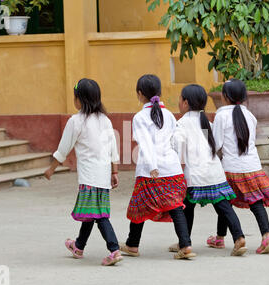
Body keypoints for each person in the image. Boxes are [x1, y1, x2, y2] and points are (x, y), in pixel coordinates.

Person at [44, 78, 122, 266]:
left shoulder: (76, 121)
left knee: (100, 215)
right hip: (103, 176)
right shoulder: (105, 120)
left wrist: (51, 168)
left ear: (79, 99)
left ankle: (114, 249)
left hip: (89, 176)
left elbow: (64, 148)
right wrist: (114, 172)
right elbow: (113, 148)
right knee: (91, 212)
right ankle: (78, 246)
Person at [119, 74, 196, 260]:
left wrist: (153, 166)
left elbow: (145, 144)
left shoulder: (139, 117)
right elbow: (177, 140)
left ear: (139, 94)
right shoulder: (169, 115)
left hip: (150, 171)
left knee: (138, 207)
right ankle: (185, 245)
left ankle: (132, 244)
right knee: (176, 206)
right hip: (172, 168)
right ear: (160, 92)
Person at [170, 84, 247, 256]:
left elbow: (178, 147)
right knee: (224, 206)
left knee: (187, 208)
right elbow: (214, 145)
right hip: (214, 173)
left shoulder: (181, 124)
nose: (179, 101)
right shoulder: (206, 122)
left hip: (195, 175)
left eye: (180, 98)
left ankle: (185, 242)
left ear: (186, 102)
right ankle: (239, 236)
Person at [212, 79, 269, 254]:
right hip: (252, 166)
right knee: (256, 203)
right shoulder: (249, 115)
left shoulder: (221, 115)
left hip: (231, 168)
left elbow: (216, 144)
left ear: (225, 96)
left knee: (223, 202)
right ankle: (267, 237)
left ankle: (221, 238)